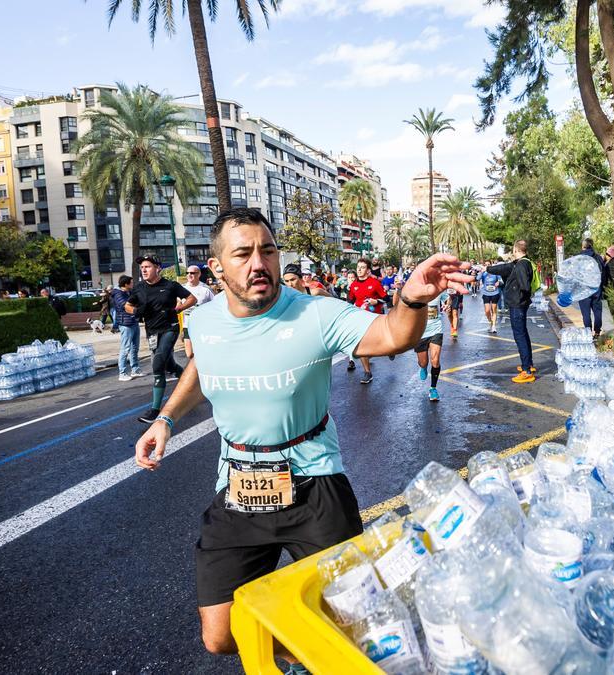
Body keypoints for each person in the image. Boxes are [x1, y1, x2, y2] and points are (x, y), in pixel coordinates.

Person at [133, 208, 470, 660]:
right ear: (217, 268)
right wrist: (166, 419)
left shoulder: (315, 313)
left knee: (353, 618)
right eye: (243, 254)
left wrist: (410, 299)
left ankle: (328, 653)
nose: (259, 264)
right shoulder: (205, 321)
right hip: (237, 487)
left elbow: (391, 335)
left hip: (314, 484)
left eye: (267, 251)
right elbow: (201, 365)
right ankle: (307, 654)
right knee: (219, 637)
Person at [124, 255, 196, 422]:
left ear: (158, 268)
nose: (144, 269)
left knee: (158, 364)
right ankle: (192, 384)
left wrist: (179, 308)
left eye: (148, 266)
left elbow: (192, 298)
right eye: (142, 267)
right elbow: (127, 305)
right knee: (169, 364)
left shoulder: (170, 285)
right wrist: (135, 311)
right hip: (152, 332)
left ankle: (155, 410)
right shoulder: (139, 288)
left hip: (170, 328)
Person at [485, 240, 536, 383]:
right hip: (519, 303)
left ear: (515, 250)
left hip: (517, 304)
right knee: (523, 334)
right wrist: (488, 269)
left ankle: (527, 371)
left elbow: (524, 285)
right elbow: (504, 268)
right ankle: (528, 365)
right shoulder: (522, 263)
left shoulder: (521, 265)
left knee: (519, 336)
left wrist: (515, 290)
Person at [346, 260, 386, 383]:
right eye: (358, 267)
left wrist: (376, 301)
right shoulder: (353, 285)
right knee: (362, 344)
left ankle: (389, 349)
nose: (359, 270)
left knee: (377, 344)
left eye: (362, 267)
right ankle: (367, 372)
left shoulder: (374, 283)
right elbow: (349, 302)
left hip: (375, 319)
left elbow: (386, 299)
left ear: (368, 270)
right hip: (360, 319)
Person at [416, 289, 450, 401]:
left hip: (436, 329)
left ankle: (433, 388)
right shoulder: (416, 290)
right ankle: (423, 367)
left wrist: (446, 305)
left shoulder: (438, 289)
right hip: (420, 332)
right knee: (423, 362)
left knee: (435, 361)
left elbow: (447, 298)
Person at [181, 265, 217, 359]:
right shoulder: (182, 288)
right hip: (187, 325)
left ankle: (200, 371)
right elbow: (176, 304)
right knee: (189, 354)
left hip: (202, 325)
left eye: (192, 273)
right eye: (187, 273)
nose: (189, 275)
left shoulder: (206, 289)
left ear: (199, 274)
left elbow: (216, 305)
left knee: (201, 352)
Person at [112, 275, 143, 382]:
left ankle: (135, 369)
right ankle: (122, 373)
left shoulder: (129, 292)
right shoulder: (118, 294)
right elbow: (125, 306)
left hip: (134, 322)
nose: (133, 284)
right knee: (125, 349)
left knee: (135, 347)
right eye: (131, 282)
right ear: (126, 284)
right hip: (125, 324)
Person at [578, 238, 606, 338]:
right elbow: (603, 272)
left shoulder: (578, 258)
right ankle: (597, 332)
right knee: (597, 311)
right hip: (596, 288)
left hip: (583, 289)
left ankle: (588, 332)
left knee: (586, 313)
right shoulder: (598, 257)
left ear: (583, 246)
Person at [478, 263, 502, 333]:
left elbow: (501, 281)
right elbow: (477, 279)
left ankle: (494, 326)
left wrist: (498, 282)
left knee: (494, 309)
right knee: (487, 311)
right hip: (486, 293)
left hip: (495, 293)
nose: (487, 265)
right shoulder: (484, 273)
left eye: (489, 264)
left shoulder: (496, 273)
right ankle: (491, 322)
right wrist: (481, 272)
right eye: (486, 264)